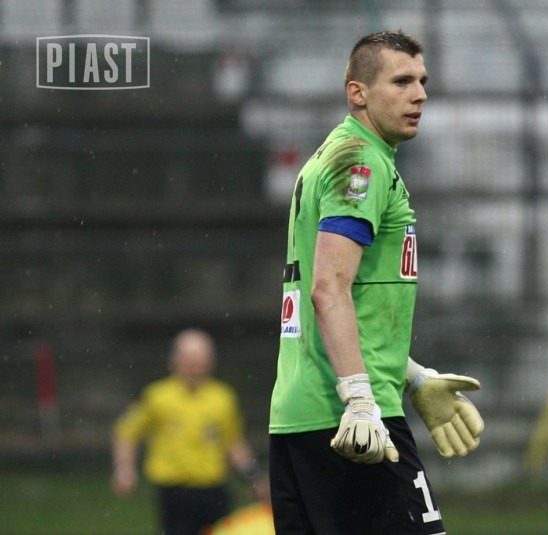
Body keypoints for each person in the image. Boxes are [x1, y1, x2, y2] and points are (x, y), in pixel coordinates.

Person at [268, 30, 484, 535]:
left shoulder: (336, 155)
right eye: (402, 81)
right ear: (358, 93)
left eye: (422, 81)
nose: (420, 95)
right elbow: (329, 289)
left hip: (299, 418)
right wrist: (361, 400)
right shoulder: (360, 163)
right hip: (355, 426)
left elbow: (338, 302)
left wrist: (412, 377)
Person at [112, 328, 269, 535]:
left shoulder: (222, 398)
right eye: (189, 357)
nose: (195, 364)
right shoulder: (157, 397)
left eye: (201, 357)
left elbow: (233, 443)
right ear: (174, 360)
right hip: (175, 492)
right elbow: (127, 432)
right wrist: (125, 468)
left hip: (214, 490)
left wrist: (252, 476)